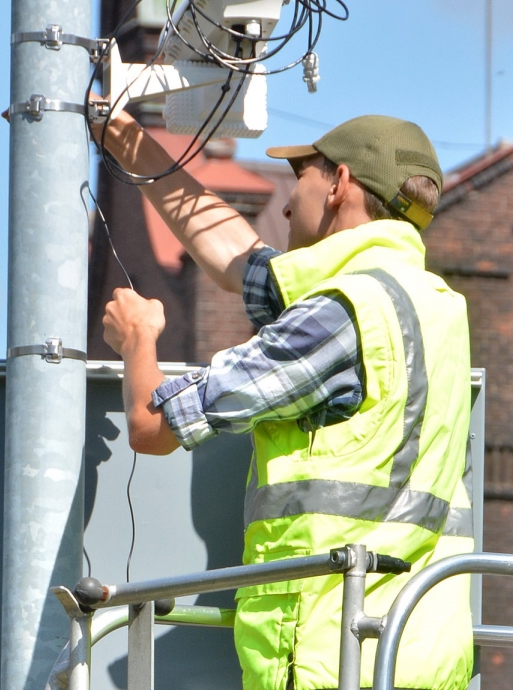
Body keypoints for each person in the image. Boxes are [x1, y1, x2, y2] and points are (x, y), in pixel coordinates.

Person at [99, 109, 474, 690]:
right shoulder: (432, 306)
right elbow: (237, 260)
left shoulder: (337, 315)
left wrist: (138, 339)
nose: (287, 203)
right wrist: (130, 144)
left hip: (330, 655)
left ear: (340, 184)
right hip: (417, 651)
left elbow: (152, 426)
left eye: (301, 176)